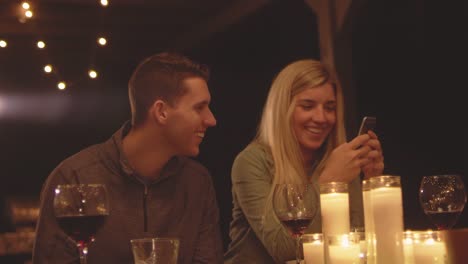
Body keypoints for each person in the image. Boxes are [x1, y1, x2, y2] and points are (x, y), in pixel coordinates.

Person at [32, 52, 223, 263]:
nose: (211, 120)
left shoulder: (197, 181)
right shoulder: (74, 177)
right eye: (199, 107)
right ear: (161, 111)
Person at [223, 59, 384, 263]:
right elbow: (284, 249)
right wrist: (328, 183)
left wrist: (372, 183)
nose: (321, 117)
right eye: (308, 106)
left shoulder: (336, 160)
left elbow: (360, 241)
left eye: (329, 107)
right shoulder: (252, 161)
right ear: (283, 109)